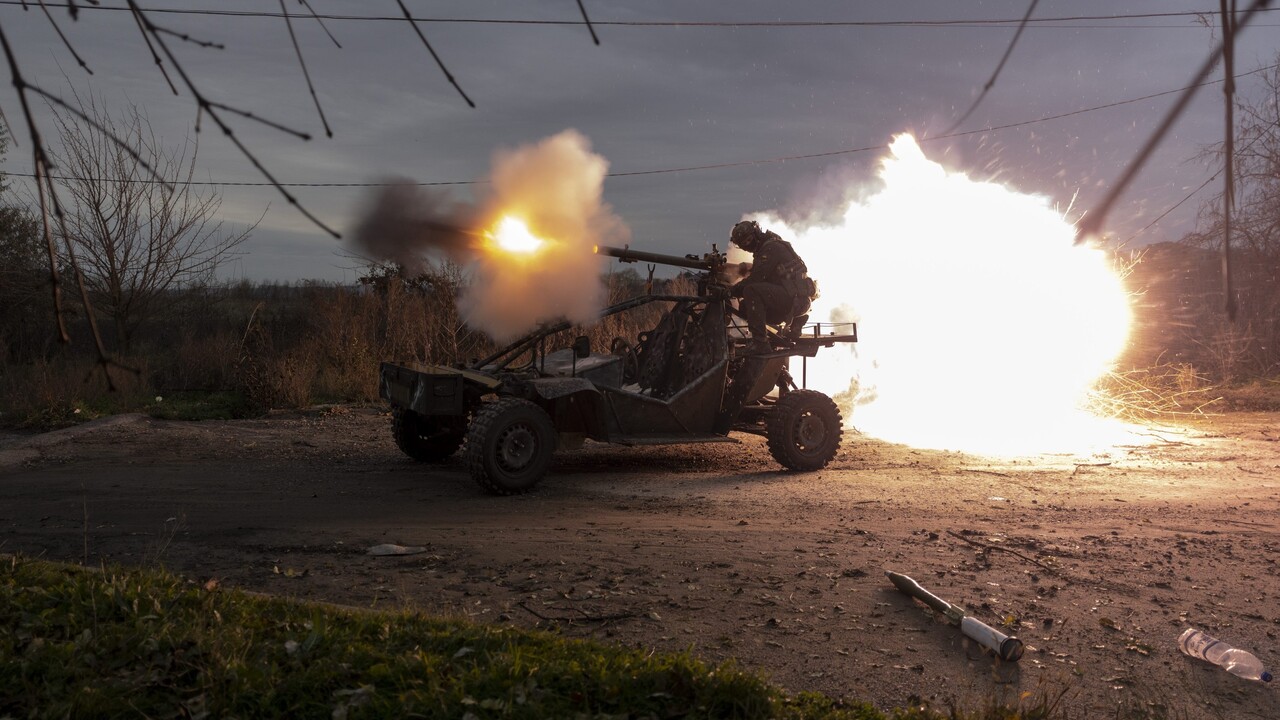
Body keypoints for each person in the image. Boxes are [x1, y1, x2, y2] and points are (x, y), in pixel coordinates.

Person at [727, 220, 816, 353]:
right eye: (743, 244)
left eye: (748, 240)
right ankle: (795, 324)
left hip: (795, 301)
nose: (747, 246)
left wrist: (730, 291)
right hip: (798, 300)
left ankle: (760, 343)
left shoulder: (771, 248)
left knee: (751, 291)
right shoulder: (771, 245)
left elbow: (756, 279)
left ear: (756, 233)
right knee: (745, 307)